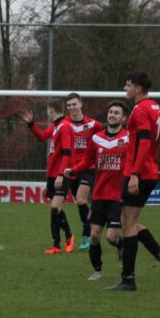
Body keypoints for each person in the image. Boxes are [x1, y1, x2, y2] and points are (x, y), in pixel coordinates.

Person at [108, 72, 160, 291]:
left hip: (140, 173)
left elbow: (145, 142)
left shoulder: (140, 110)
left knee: (128, 224)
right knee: (130, 220)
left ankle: (128, 279)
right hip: (148, 171)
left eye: (128, 85)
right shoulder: (154, 107)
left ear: (138, 88)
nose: (125, 88)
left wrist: (135, 174)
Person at [64, 101, 128, 281]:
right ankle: (98, 270)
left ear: (123, 118)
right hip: (99, 195)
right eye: (110, 112)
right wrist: (74, 170)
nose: (112, 115)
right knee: (93, 235)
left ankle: (121, 246)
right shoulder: (96, 138)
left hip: (117, 197)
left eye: (116, 113)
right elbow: (87, 161)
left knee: (111, 237)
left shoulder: (129, 138)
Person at [20, 99, 75, 254]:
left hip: (61, 174)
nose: (47, 113)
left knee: (55, 207)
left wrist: (60, 175)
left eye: (47, 111)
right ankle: (56, 245)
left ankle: (69, 235)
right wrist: (31, 124)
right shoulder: (56, 127)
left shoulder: (64, 127)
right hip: (52, 174)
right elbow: (42, 136)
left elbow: (67, 152)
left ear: (51, 110)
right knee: (54, 210)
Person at [64, 93, 103, 251]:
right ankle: (89, 226)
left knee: (81, 199)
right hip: (72, 169)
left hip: (88, 167)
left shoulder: (94, 125)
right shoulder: (65, 123)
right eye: (69, 105)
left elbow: (104, 139)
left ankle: (86, 235)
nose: (72, 107)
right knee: (79, 203)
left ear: (81, 104)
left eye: (74, 104)